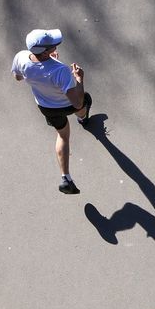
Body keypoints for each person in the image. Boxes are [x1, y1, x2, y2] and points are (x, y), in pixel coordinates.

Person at [11, 28, 93, 194]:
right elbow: (77, 102)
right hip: (66, 105)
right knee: (84, 101)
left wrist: (49, 62)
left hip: (46, 107)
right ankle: (83, 119)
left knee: (62, 136)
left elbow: (18, 77)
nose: (55, 46)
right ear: (45, 52)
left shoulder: (21, 57)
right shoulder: (60, 70)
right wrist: (79, 79)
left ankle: (66, 178)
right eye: (51, 46)